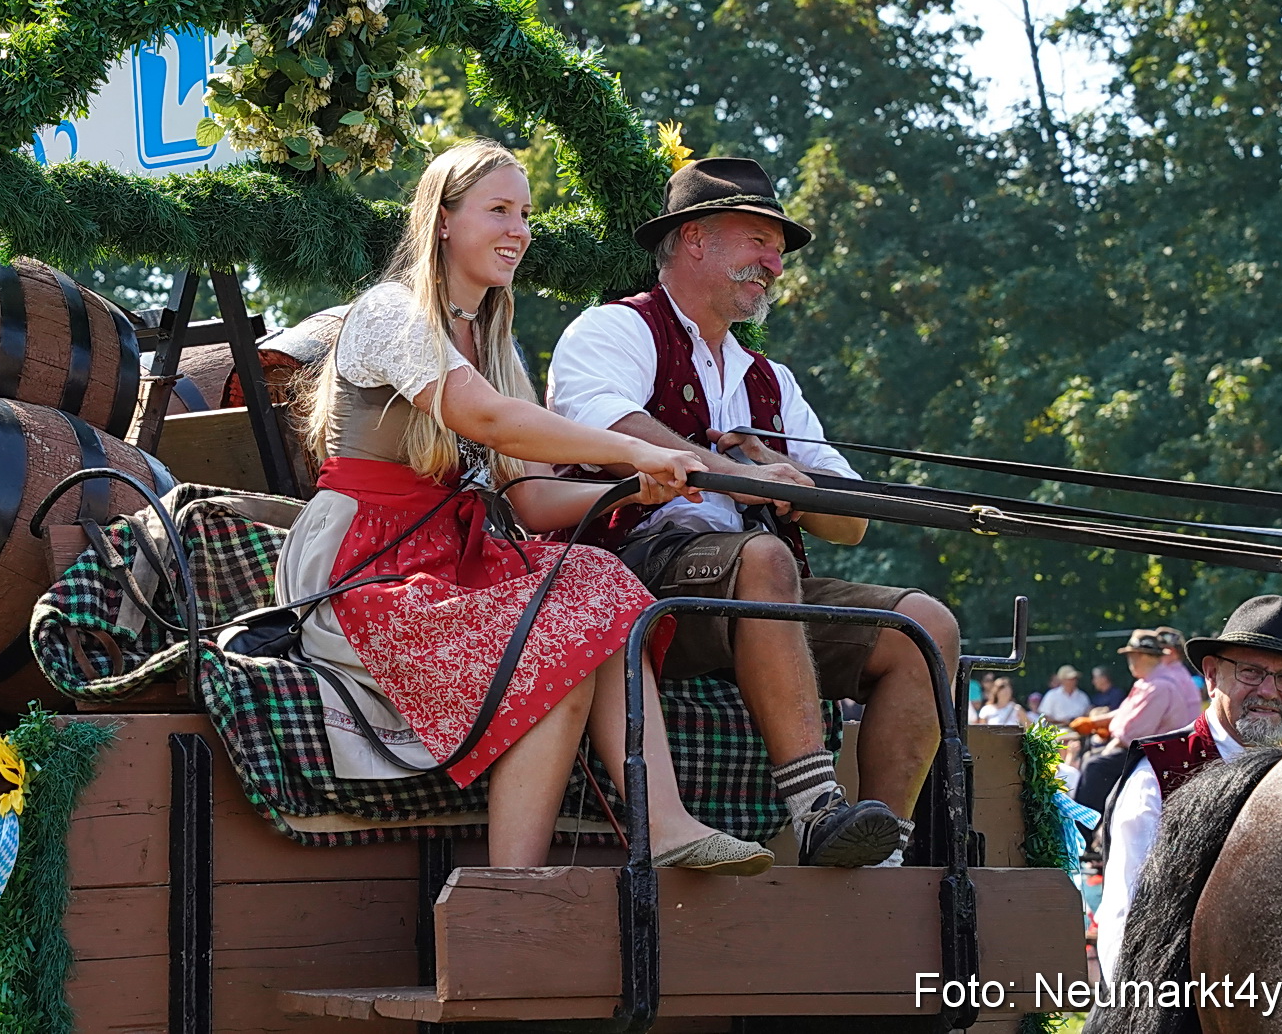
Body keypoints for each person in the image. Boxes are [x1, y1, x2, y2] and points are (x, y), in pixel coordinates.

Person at [279, 140, 772, 874]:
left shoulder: (499, 344)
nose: (520, 230)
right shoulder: (390, 312)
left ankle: (652, 826)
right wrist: (633, 451)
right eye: (499, 210)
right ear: (442, 221)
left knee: (600, 582)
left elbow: (534, 498)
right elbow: (490, 421)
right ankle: (512, 887)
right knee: (559, 644)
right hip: (365, 566)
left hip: (449, 560)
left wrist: (634, 491)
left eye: (528, 214)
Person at [547, 157, 961, 868]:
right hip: (635, 577)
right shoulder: (613, 331)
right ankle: (815, 809)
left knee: (927, 625)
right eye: (758, 242)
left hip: (756, 594)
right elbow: (612, 432)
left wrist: (791, 481)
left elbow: (851, 519)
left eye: (777, 250)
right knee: (764, 558)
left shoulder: (771, 380)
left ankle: (879, 848)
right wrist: (740, 476)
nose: (774, 263)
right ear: (695, 239)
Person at [1096, 595, 1282, 977]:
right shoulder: (1160, 771)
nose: (1269, 691)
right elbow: (1125, 918)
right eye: (1251, 672)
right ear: (1211, 675)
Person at [1073, 630, 1201, 818]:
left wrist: (1106, 742)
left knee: (1095, 766)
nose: (1130, 661)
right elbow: (1126, 718)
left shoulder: (1159, 686)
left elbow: (1130, 734)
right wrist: (1097, 724)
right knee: (1092, 761)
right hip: (1151, 750)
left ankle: (1081, 833)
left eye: (1134, 656)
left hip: (1158, 755)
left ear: (1148, 657)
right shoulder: (1149, 682)